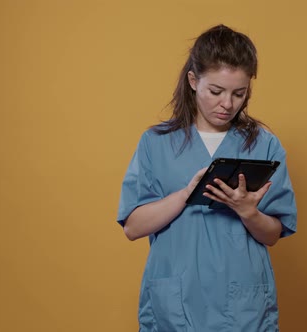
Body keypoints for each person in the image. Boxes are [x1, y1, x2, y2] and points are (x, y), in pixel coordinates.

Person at [117, 24, 297, 331]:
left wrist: (247, 210)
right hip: (177, 302)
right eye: (216, 91)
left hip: (243, 304)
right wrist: (187, 193)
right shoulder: (155, 143)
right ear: (193, 81)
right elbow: (133, 227)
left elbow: (272, 234)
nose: (227, 104)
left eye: (239, 93)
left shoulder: (264, 145)